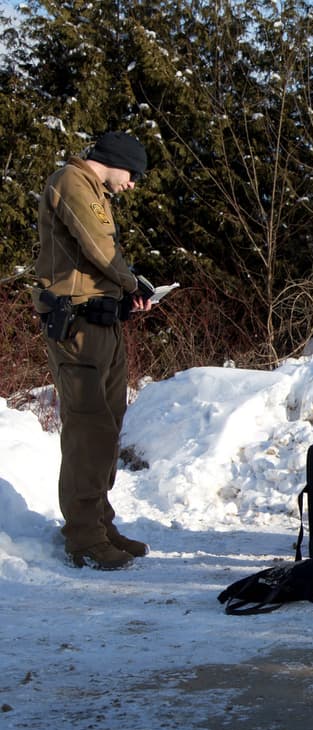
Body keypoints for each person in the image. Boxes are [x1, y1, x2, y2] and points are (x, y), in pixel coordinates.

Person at [32, 131, 157, 571]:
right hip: (77, 328)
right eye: (133, 173)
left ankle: (101, 523)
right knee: (88, 430)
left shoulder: (95, 192)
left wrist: (124, 293)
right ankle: (83, 536)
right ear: (116, 160)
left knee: (107, 427)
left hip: (103, 323)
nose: (133, 184)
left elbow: (96, 261)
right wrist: (129, 280)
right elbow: (98, 247)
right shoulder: (71, 181)